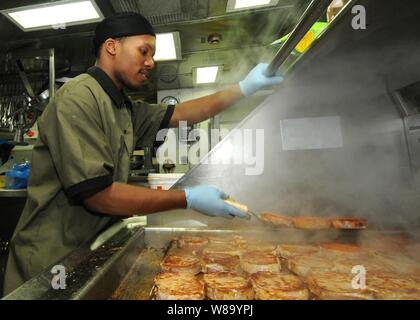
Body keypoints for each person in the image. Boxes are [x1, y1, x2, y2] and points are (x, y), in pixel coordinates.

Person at [2, 12, 283, 296]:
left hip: (85, 250)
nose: (150, 62)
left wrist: (244, 89)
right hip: (49, 262)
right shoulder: (79, 97)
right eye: (144, 51)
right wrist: (187, 199)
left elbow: (184, 113)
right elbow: (98, 194)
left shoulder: (123, 107)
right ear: (112, 46)